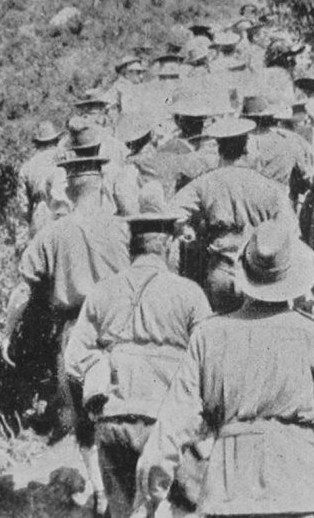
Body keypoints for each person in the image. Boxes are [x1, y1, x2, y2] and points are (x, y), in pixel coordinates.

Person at [135, 220, 314, 518]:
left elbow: (172, 425)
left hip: (229, 495)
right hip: (303, 493)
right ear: (293, 278)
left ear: (244, 274)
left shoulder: (209, 337)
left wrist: (150, 496)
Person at [64, 201, 211, 518]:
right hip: (169, 423)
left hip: (115, 420)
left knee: (123, 510)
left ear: (131, 247)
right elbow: (209, 364)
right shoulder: (189, 294)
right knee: (189, 506)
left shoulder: (103, 292)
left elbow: (74, 359)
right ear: (169, 245)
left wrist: (104, 372)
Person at [4, 152, 131, 514]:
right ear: (101, 184)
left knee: (84, 422)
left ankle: (100, 490)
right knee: (125, 409)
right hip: (122, 328)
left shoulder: (52, 233)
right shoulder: (123, 227)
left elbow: (23, 291)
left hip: (77, 332)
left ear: (70, 188)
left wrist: (7, 332)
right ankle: (126, 489)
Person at [171, 117, 294, 312]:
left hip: (220, 270)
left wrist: (187, 231)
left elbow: (174, 212)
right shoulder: (269, 187)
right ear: (246, 148)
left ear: (218, 147)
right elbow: (289, 228)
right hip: (257, 274)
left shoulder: (205, 183)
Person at [240, 94, 314, 205]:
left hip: (248, 208)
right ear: (270, 116)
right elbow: (304, 180)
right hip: (281, 206)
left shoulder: (238, 145)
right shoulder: (289, 141)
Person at [17, 120, 62, 226]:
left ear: (38, 144)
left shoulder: (27, 167)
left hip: (37, 216)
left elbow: (23, 206)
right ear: (56, 141)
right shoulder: (61, 159)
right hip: (60, 214)